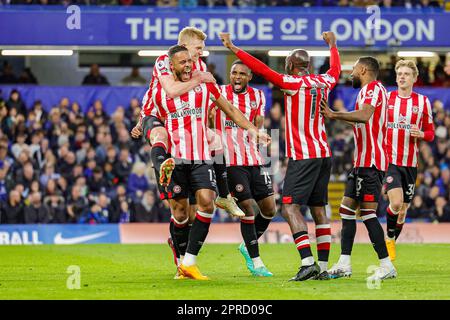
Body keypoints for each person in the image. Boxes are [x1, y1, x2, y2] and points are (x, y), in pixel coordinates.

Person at [219, 31, 341, 281]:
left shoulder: (292, 83)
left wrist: (234, 47)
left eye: (287, 63)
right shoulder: (324, 81)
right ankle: (325, 268)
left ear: (293, 66)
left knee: (289, 208)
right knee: (319, 210)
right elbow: (336, 69)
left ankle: (307, 263)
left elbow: (261, 69)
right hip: (324, 154)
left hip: (303, 155)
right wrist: (333, 46)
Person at [151, 45, 270, 280]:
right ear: (171, 66)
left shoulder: (207, 86)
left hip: (201, 156)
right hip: (176, 158)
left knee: (207, 203)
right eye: (182, 62)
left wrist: (254, 130)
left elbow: (232, 110)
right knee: (181, 213)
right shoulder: (162, 92)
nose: (187, 66)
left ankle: (189, 262)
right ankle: (180, 261)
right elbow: (151, 116)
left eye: (189, 62)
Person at [320, 56, 397, 281]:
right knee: (345, 210)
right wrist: (339, 116)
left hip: (372, 162)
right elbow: (360, 120)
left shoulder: (373, 88)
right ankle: (344, 263)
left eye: (353, 69)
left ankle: (386, 265)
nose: (350, 73)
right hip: (361, 162)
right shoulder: (366, 92)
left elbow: (364, 116)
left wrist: (334, 114)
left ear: (363, 69)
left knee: (368, 213)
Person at [211, 60, 276, 277]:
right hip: (230, 161)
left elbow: (258, 123)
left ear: (249, 77)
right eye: (233, 73)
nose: (237, 77)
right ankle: (256, 262)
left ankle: (246, 244)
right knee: (247, 207)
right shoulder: (218, 93)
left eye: (242, 74)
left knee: (269, 208)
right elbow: (209, 120)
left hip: (254, 158)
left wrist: (262, 137)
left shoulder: (258, 96)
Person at [384, 60, 435, 260]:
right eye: (400, 73)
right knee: (395, 204)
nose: (402, 77)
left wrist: (421, 133)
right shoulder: (387, 99)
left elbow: (430, 133)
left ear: (414, 78)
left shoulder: (422, 102)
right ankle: (388, 240)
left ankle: (391, 244)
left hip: (410, 164)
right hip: (390, 161)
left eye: (406, 74)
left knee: (403, 211)